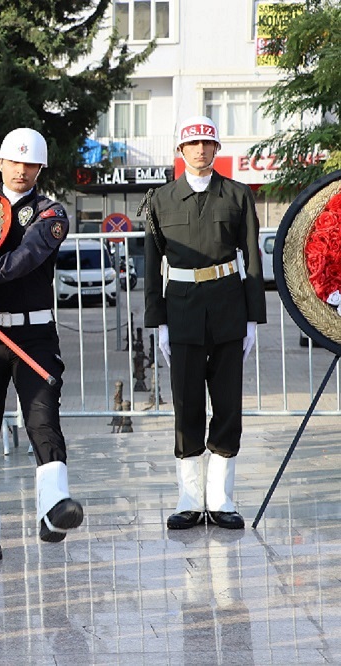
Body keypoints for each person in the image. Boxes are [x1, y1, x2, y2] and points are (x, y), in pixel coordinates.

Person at [0, 128, 84, 560]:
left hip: (34, 333)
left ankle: (53, 507)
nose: (22, 171)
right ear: (0, 163)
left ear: (40, 169)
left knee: (43, 418)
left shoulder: (52, 213)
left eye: (31, 165)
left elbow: (28, 257)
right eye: (16, 162)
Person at [143, 115, 265, 530]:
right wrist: (158, 322)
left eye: (207, 143)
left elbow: (251, 258)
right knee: (187, 405)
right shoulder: (160, 199)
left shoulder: (237, 195)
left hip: (229, 309)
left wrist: (252, 319)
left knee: (228, 407)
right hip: (182, 312)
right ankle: (190, 500)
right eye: (192, 144)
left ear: (217, 149)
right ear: (180, 151)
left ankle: (222, 500)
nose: (200, 150)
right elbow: (150, 266)